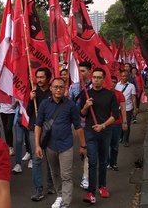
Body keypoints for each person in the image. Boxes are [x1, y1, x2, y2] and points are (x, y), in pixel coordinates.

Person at [34, 78, 86, 208]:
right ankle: (60, 195)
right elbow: (38, 125)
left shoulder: (71, 105)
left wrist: (83, 145)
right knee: (55, 173)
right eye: (55, 87)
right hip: (50, 145)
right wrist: (37, 145)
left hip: (66, 145)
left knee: (66, 175)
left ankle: (66, 203)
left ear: (65, 89)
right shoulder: (44, 104)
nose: (58, 89)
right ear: (51, 88)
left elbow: (78, 126)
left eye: (61, 87)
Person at [79, 68, 119, 203]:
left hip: (105, 131)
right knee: (92, 161)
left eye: (99, 77)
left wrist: (103, 125)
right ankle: (91, 192)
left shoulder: (110, 95)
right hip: (90, 132)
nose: (96, 80)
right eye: (94, 77)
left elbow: (115, 115)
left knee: (103, 161)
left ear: (103, 79)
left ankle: (102, 186)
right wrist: (86, 105)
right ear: (91, 78)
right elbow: (82, 114)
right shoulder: (86, 93)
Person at [26, 67, 55, 201]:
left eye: (42, 77)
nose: (39, 80)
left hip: (50, 129)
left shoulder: (53, 92)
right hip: (34, 129)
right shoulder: (33, 93)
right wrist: (31, 99)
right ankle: (38, 189)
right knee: (37, 158)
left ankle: (51, 185)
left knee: (50, 158)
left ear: (48, 78)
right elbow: (28, 112)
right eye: (37, 77)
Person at [69, 61, 91, 190]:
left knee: (87, 149)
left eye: (83, 71)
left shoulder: (94, 87)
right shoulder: (73, 88)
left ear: (89, 72)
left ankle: (86, 176)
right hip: (76, 125)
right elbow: (70, 107)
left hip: (90, 124)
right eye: (79, 71)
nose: (81, 73)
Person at [108, 76, 127, 171]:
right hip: (105, 124)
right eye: (110, 81)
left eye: (114, 82)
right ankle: (106, 162)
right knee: (105, 145)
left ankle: (113, 163)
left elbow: (123, 109)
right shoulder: (102, 94)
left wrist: (124, 122)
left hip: (117, 123)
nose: (112, 83)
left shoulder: (119, 95)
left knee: (114, 145)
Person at [116, 70, 137, 147]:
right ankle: (120, 137)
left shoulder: (131, 86)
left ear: (128, 77)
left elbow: (133, 98)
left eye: (126, 76)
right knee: (119, 124)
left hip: (128, 108)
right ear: (120, 76)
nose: (124, 77)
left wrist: (135, 108)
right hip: (118, 108)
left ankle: (126, 140)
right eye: (123, 76)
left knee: (126, 124)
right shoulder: (117, 85)